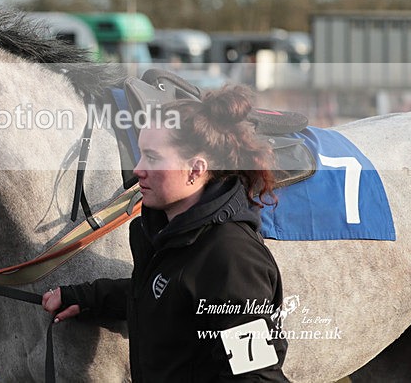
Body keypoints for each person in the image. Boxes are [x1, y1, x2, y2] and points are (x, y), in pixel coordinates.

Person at [42, 84, 288, 381]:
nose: (138, 170)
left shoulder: (231, 258)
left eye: (153, 158)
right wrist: (85, 297)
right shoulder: (167, 231)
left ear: (196, 170)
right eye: (141, 155)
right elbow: (163, 296)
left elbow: (256, 376)